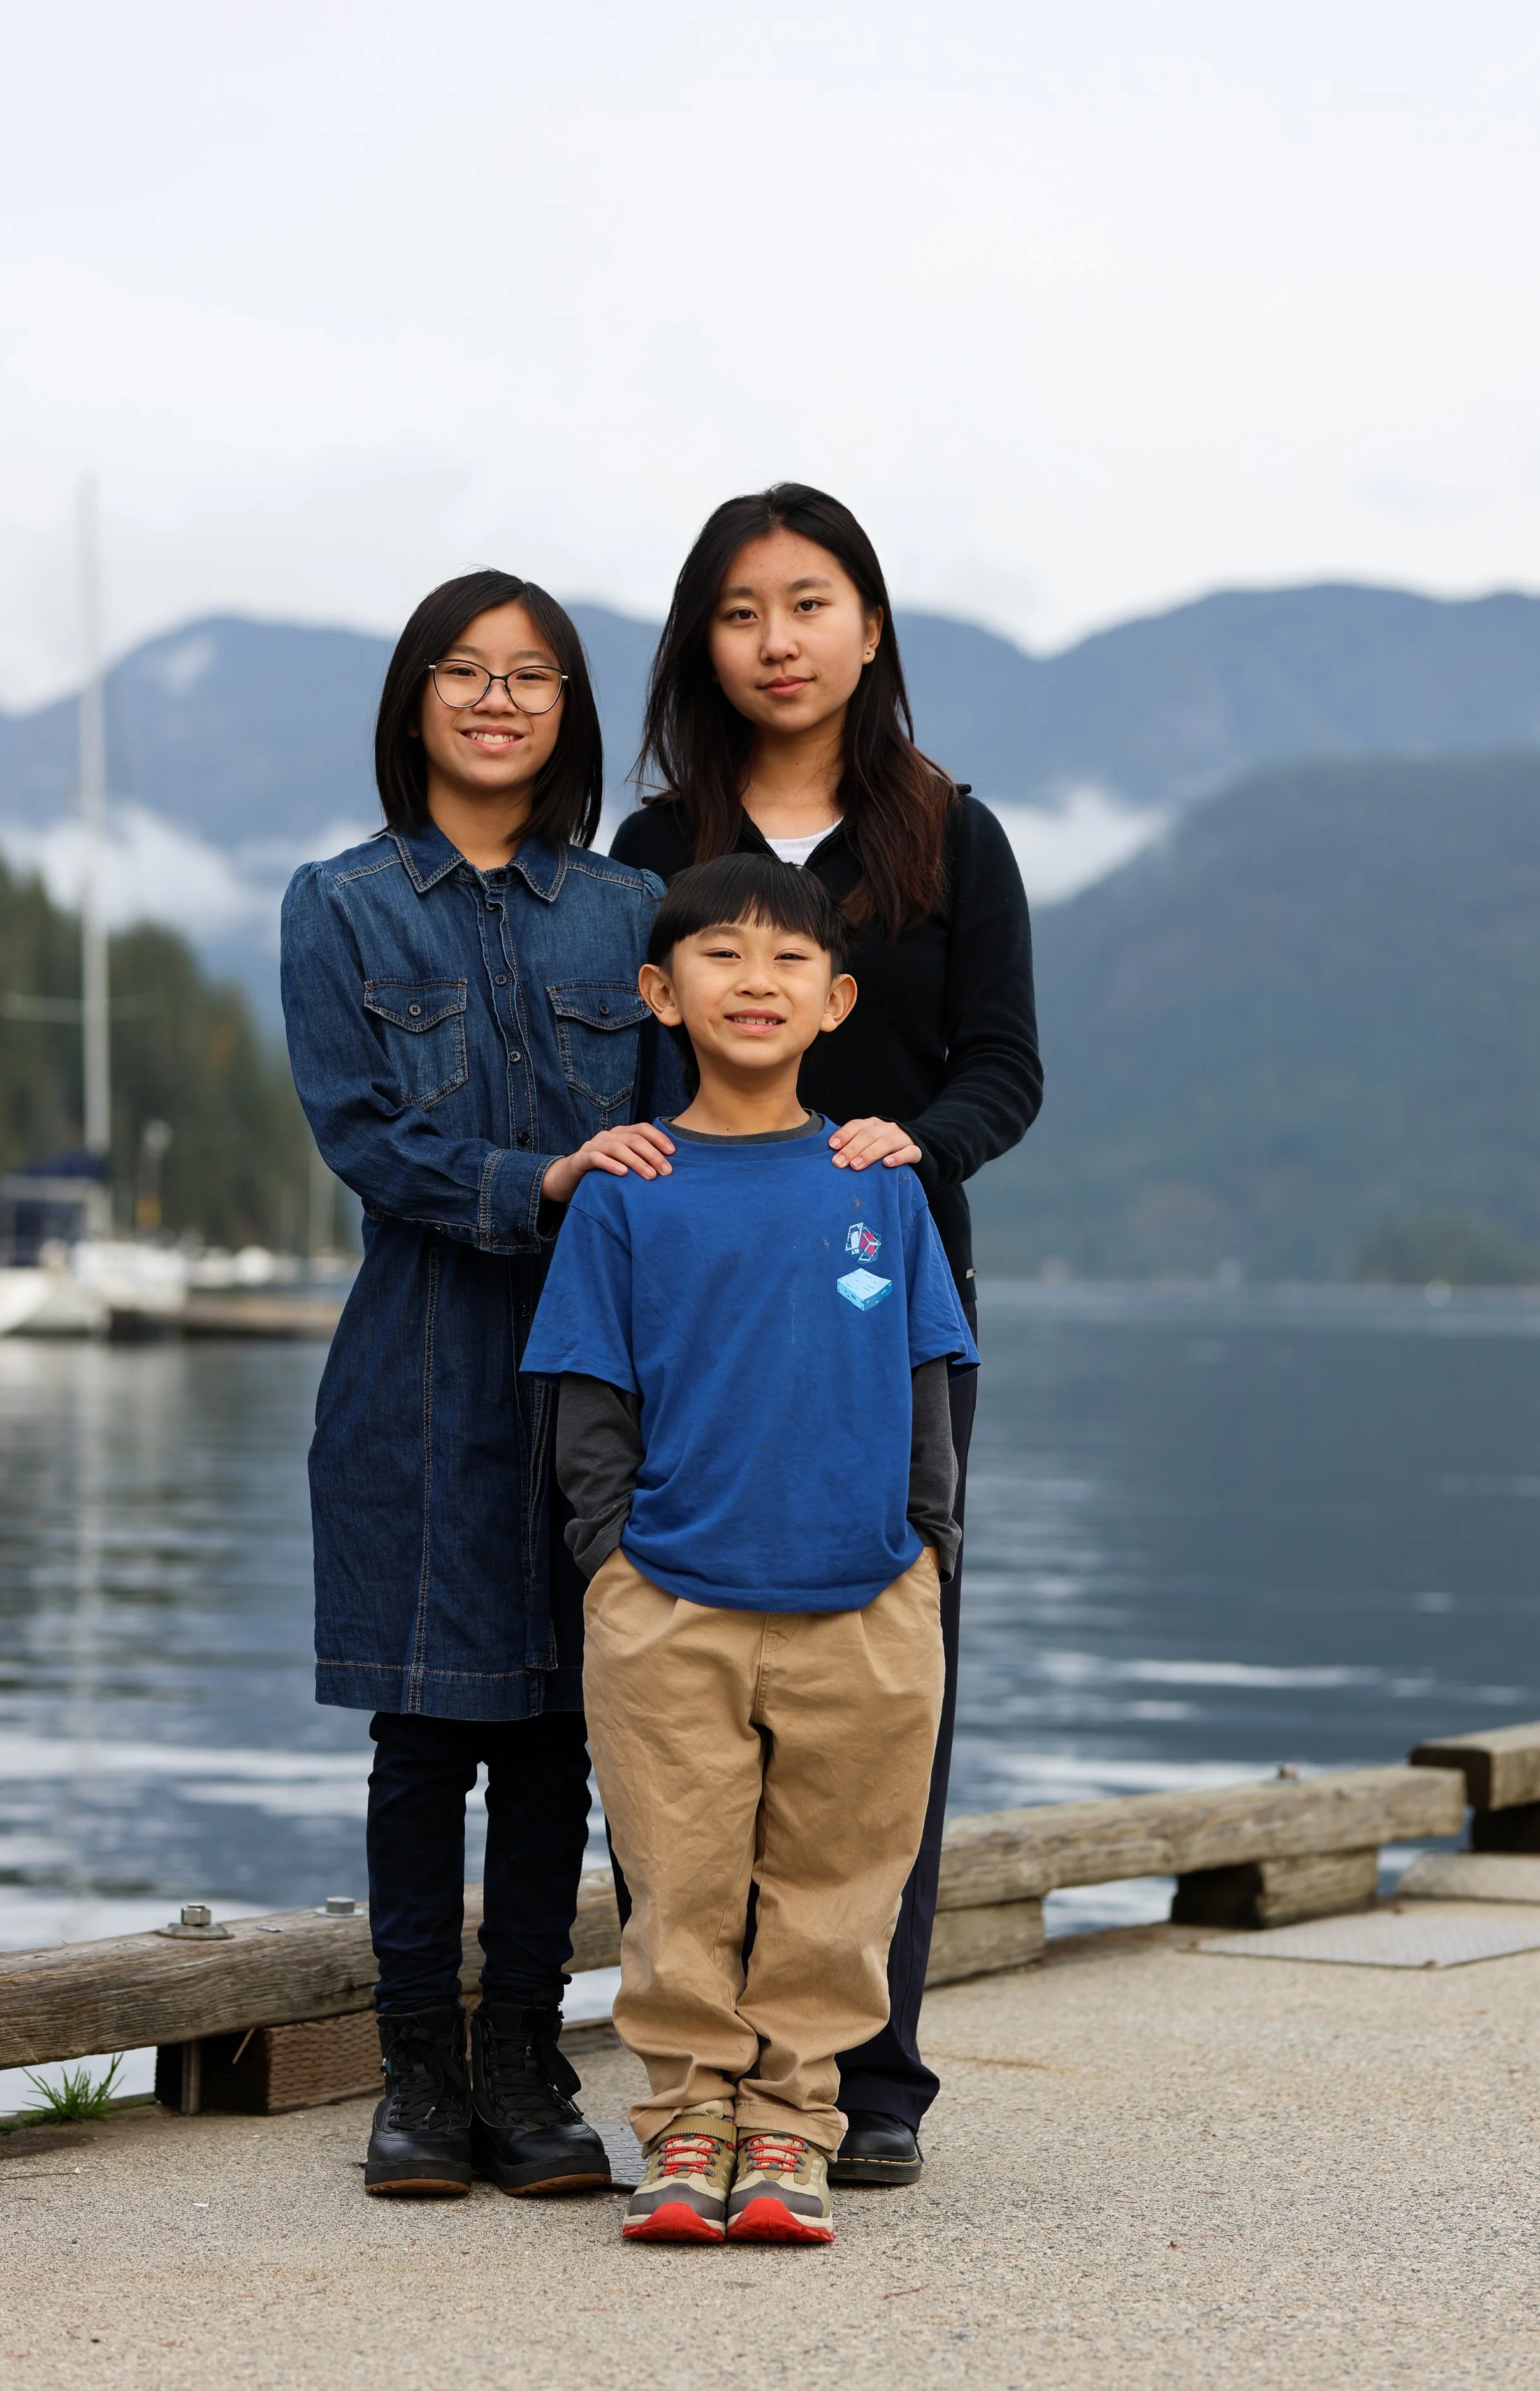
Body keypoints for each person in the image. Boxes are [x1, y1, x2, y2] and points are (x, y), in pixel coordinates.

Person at [610, 484, 1042, 2181]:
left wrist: (913, 1144)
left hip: (890, 1321)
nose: (774, 640)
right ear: (699, 645)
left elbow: (1003, 1067)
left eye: (806, 603)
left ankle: (871, 2077)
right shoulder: (649, 858)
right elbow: (620, 1080)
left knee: (885, 1685)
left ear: (868, 624)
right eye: (737, 610)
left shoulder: (952, 834)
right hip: (686, 1318)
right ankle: (708, 2076)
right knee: (678, 1703)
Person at [281, 570, 684, 2200]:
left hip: (592, 1370)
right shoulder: (340, 901)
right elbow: (363, 1136)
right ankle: (416, 2078)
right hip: (417, 1365)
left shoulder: (622, 915)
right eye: (464, 671)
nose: (498, 699)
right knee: (420, 1732)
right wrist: (541, 1181)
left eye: (531, 676)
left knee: (557, 1735)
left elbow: (674, 1130)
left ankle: (528, 2063)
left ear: (569, 712)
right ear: (415, 702)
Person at [521, 853, 978, 2244]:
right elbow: (587, 1399)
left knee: (839, 1886)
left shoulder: (877, 1179)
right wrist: (614, 1562)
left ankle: (788, 2128)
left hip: (865, 1600)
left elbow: (927, 1382)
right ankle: (684, 2123)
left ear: (837, 1000)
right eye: (721, 955)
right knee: (680, 1879)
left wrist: (924, 1555)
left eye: (789, 961)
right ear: (659, 992)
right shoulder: (627, 1189)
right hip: (669, 1605)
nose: (756, 981)